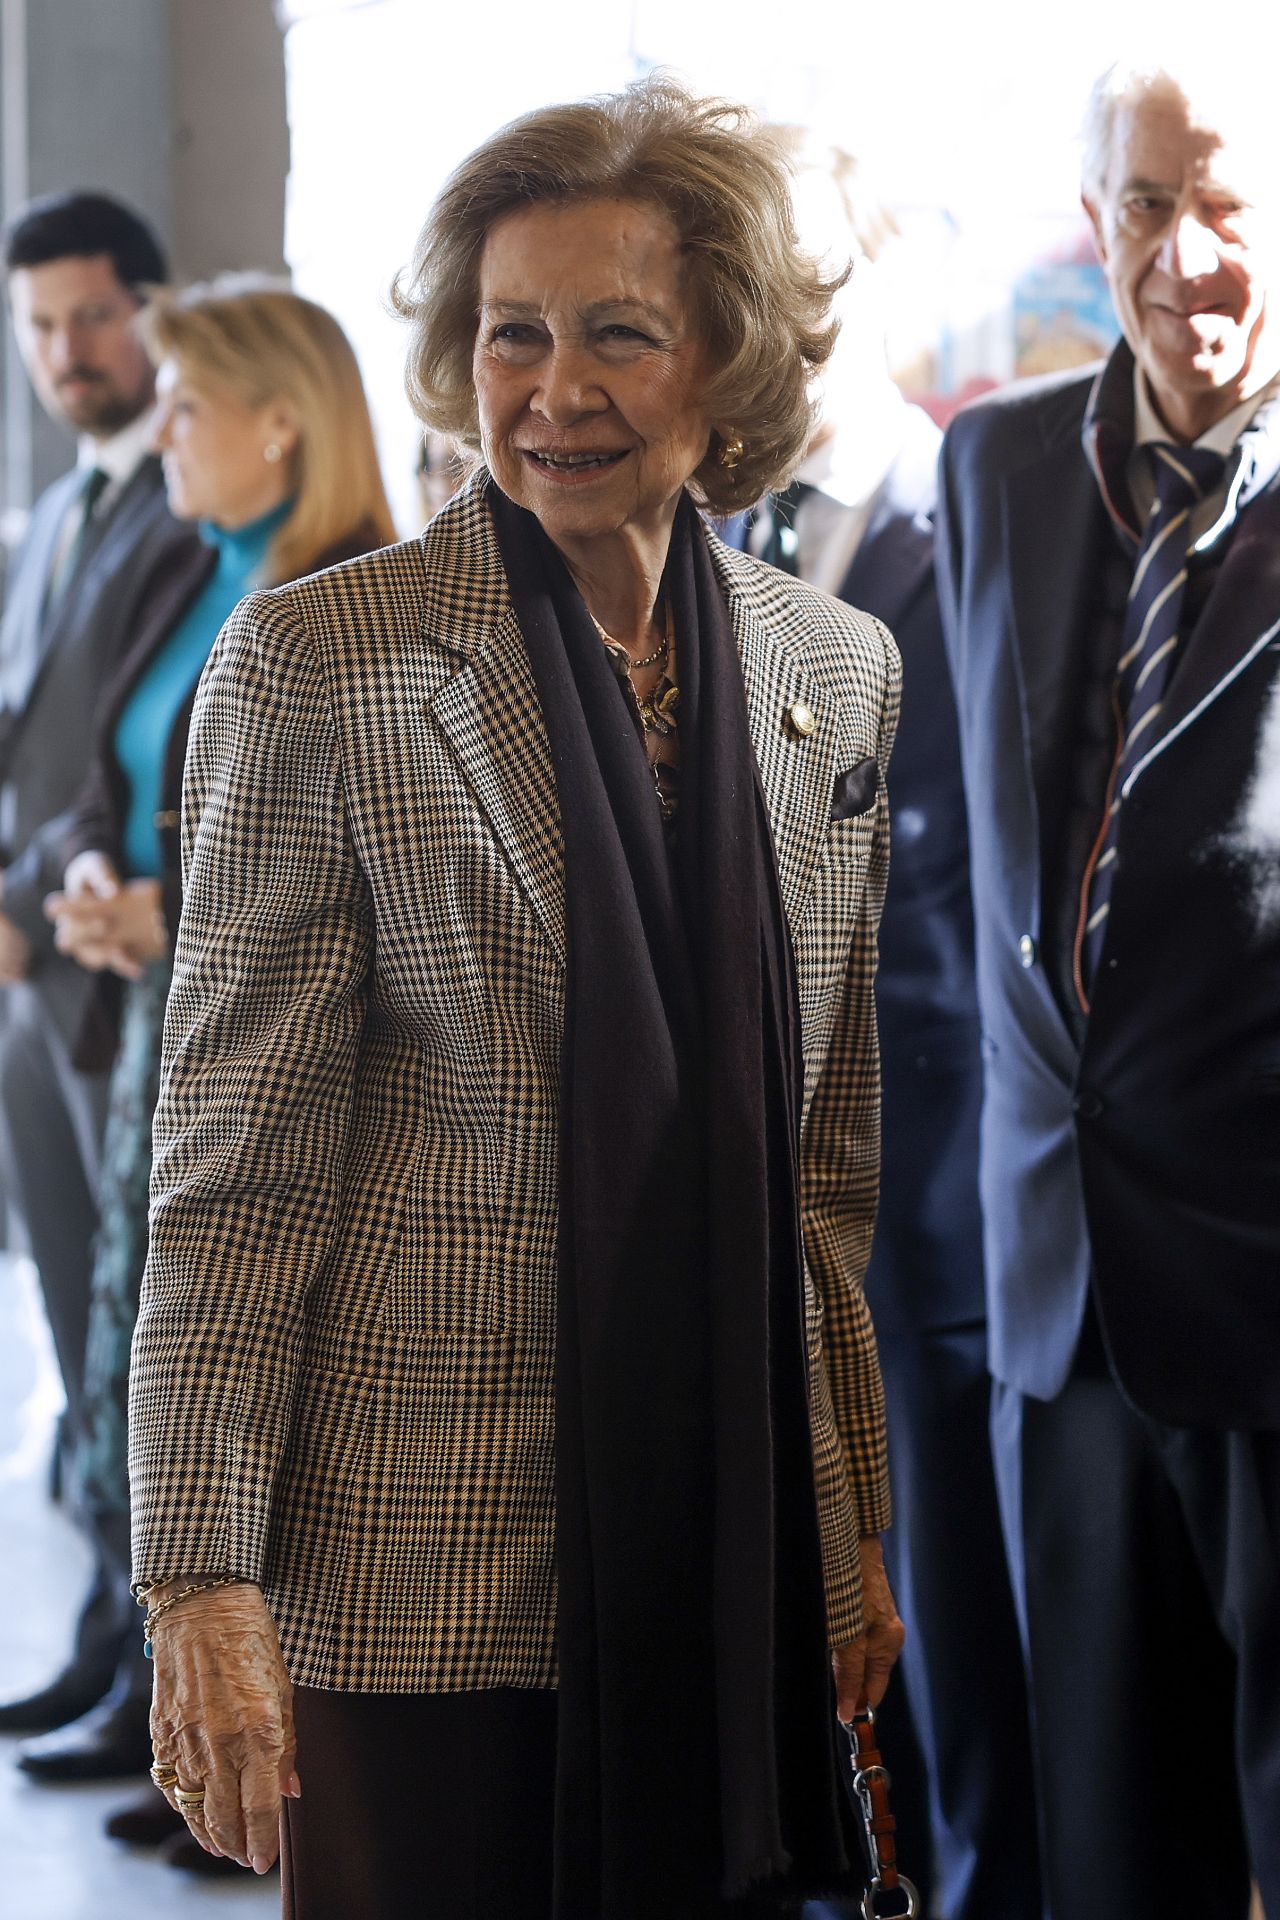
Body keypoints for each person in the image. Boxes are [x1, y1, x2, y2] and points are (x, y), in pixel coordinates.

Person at [128, 78, 905, 1919]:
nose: (554, 388)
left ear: (724, 361)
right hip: (420, 1568)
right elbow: (233, 1177)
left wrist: (849, 1514)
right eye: (511, 335)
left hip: (734, 1547)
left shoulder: (837, 669)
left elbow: (827, 1166)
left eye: (617, 334)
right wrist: (201, 1576)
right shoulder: (324, 667)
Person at [937, 51, 1280, 1920]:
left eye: (1230, 203)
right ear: (1096, 228)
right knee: (1107, 1847)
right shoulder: (994, 466)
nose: (1190, 255)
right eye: (1149, 206)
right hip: (1055, 1297)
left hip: (1269, 1284)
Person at [40, 277, 395, 1862]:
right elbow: (101, 768)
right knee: (139, 1364)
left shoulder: (346, 596)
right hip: (154, 1021)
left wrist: (164, 910)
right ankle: (158, 1703)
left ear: (283, 421)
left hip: (261, 1052)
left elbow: (337, 867)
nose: (162, 427)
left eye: (191, 403)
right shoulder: (203, 567)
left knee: (253, 1408)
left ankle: (257, 1765)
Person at [727, 137, 1041, 1920]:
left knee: (965, 1683)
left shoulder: (977, 510)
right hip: (746, 1209)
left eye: (789, 262)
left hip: (933, 1213)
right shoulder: (706, 541)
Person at [0, 191, 190, 1765]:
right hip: (43, 979)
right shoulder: (61, 513)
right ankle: (101, 1639)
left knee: (141, 1354)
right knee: (79, 1333)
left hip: (124, 987)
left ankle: (150, 1689)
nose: (66, 352)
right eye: (39, 324)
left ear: (154, 311)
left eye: (89, 316)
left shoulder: (193, 510)